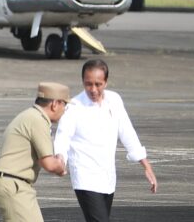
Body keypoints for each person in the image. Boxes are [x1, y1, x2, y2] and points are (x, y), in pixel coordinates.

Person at [54, 59, 157, 222]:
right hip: (84, 177)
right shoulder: (73, 106)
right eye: (88, 84)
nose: (93, 89)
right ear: (82, 82)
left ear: (106, 82)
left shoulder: (114, 101)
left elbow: (127, 132)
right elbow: (62, 137)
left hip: (107, 177)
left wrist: (146, 165)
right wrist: (60, 160)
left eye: (98, 84)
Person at [0, 82, 69, 222]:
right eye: (64, 105)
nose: (65, 110)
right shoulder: (38, 120)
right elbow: (48, 163)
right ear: (55, 104)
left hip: (10, 183)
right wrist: (60, 164)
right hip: (13, 185)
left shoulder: (30, 116)